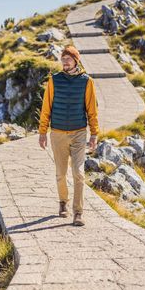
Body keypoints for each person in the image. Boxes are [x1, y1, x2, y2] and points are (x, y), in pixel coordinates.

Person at [38, 45, 99, 226]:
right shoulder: (54, 80)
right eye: (62, 59)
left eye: (68, 59)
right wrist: (42, 132)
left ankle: (78, 212)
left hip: (79, 133)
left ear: (76, 61)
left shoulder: (87, 82)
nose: (64, 62)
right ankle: (63, 202)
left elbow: (92, 110)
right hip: (57, 134)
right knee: (61, 174)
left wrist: (94, 134)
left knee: (78, 173)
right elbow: (46, 107)